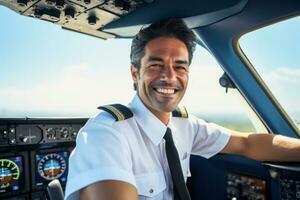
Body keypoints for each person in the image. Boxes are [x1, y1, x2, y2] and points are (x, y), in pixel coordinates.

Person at [64, 19, 300, 200]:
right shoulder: (105, 133)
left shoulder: (183, 125)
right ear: (135, 74)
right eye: (156, 65)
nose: (169, 76)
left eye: (180, 66)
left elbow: (248, 143)